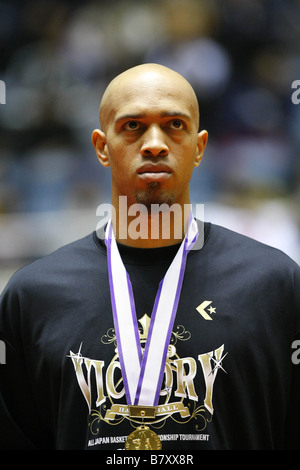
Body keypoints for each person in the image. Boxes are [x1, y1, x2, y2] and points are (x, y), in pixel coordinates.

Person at [0, 63, 299, 451]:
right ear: (101, 147)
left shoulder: (274, 284)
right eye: (133, 126)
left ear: (200, 147)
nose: (154, 143)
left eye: (175, 125)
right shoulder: (33, 296)